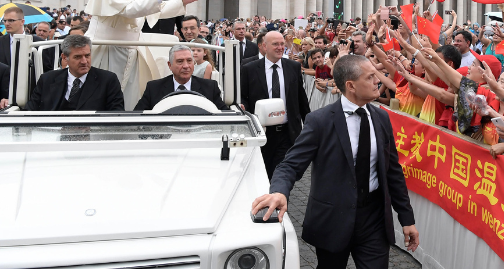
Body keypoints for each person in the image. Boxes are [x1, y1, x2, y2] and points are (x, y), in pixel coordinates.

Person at [250, 54, 419, 269]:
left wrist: (407, 218)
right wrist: (280, 191)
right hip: (332, 219)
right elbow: (291, 164)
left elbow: (392, 171)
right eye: (370, 77)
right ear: (351, 86)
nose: (379, 80)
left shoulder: (381, 118)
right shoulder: (320, 121)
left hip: (374, 219)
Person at [83, 0, 201, 110]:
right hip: (107, 49)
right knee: (102, 94)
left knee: (128, 95)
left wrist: (181, 2)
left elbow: (157, 9)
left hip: (131, 50)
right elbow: (128, 9)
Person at [241, 31, 310, 178]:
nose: (280, 47)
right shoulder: (249, 68)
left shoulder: (293, 67)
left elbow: (301, 98)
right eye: (275, 44)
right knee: (262, 173)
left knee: (282, 173)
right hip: (261, 132)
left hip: (287, 132)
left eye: (282, 44)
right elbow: (243, 96)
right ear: (264, 46)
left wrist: (309, 125)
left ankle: (279, 198)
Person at [26, 35, 125, 111]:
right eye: (77, 57)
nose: (84, 61)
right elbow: (29, 111)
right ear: (64, 57)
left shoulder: (107, 80)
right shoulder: (47, 79)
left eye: (87, 55)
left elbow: (116, 114)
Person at [134, 44, 226, 110]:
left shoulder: (210, 87)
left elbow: (225, 115)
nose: (186, 66)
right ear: (170, 65)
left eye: (189, 61)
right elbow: (137, 116)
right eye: (180, 61)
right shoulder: (153, 88)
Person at [0, 7, 55, 74]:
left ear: (22, 22)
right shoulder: (1, 41)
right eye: (5, 21)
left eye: (11, 20)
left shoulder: (38, 43)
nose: (7, 24)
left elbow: (46, 70)